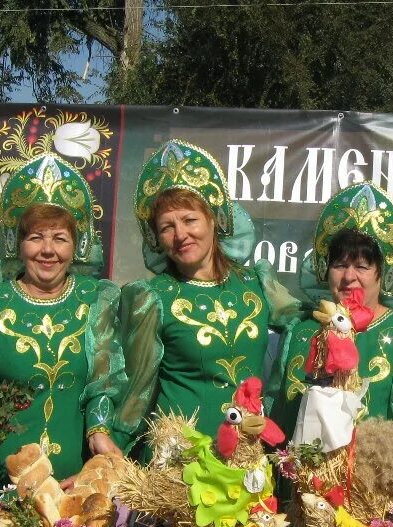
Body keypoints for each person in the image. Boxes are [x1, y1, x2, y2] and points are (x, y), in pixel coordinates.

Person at [0, 154, 126, 494]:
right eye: (35, 237)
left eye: (60, 238)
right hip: (5, 487)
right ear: (17, 244)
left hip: (77, 485)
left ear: (76, 246)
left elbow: (104, 383)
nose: (48, 250)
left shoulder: (97, 300)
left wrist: (99, 437)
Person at [117, 139, 299, 446]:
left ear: (213, 218)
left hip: (245, 456)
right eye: (166, 227)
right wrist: (112, 444)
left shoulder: (257, 284)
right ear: (156, 238)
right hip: (179, 462)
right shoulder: (152, 298)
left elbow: (305, 324)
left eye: (190, 220)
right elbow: (135, 388)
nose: (180, 235)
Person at [267, 182, 393, 464]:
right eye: (339, 265)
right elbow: (277, 418)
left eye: (362, 266)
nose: (349, 276)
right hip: (300, 496)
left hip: (372, 496)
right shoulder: (302, 332)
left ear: (382, 274)